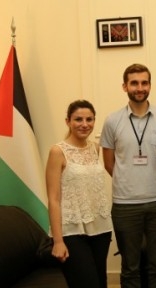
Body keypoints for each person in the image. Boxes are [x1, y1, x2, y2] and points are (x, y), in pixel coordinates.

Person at [100, 63, 156, 288]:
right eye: (134, 83)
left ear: (150, 85)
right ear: (125, 86)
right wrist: (129, 181)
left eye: (144, 83)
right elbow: (109, 163)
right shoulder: (112, 121)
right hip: (125, 205)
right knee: (130, 267)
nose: (140, 88)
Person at [45, 100, 112, 288]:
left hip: (101, 229)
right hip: (72, 230)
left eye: (89, 119)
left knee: (100, 282)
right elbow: (53, 199)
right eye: (78, 119)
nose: (84, 124)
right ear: (68, 121)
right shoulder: (57, 151)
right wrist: (58, 241)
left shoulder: (95, 148)